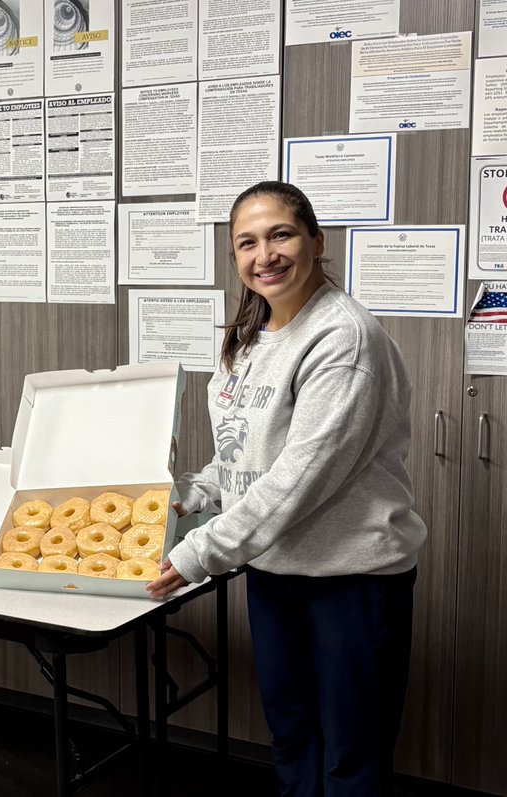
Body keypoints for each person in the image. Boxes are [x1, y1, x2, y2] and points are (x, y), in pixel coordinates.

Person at [145, 181, 426, 797]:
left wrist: (199, 553)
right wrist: (191, 496)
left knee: (351, 750)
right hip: (275, 570)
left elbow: (301, 477)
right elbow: (245, 457)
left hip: (351, 578)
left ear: (316, 241)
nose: (264, 255)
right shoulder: (250, 337)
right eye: (247, 243)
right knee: (293, 732)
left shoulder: (344, 339)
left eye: (281, 235)